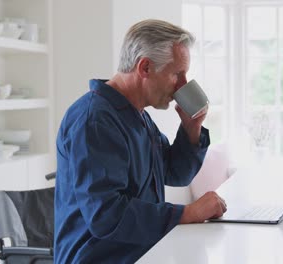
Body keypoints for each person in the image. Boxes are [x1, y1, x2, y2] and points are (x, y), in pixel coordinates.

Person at [54, 19, 227, 263]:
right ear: (145, 68)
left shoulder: (137, 115)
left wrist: (191, 131)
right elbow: (106, 215)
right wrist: (185, 213)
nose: (183, 85)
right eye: (177, 74)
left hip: (140, 254)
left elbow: (175, 173)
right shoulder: (94, 120)